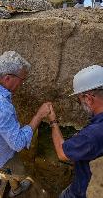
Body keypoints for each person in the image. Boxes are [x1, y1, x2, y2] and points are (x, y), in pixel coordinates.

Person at [0, 51, 52, 197]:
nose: (22, 83)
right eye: (22, 80)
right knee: (18, 172)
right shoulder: (1, 107)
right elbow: (18, 143)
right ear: (7, 78)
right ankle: (3, 182)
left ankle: (0, 181)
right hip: (3, 152)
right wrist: (39, 115)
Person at [48, 65, 103, 198]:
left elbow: (62, 153)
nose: (80, 104)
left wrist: (53, 121)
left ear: (89, 99)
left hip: (84, 191)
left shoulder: (92, 135)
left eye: (79, 100)